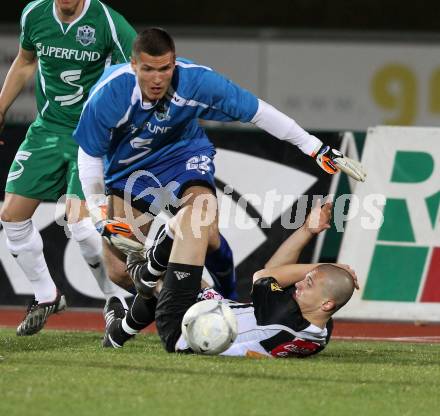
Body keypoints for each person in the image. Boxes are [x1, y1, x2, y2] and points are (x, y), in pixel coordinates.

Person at [73, 27, 365, 311]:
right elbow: (88, 157)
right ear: (133, 64)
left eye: (165, 68)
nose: (158, 79)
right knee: (119, 271)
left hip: (182, 154)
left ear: (174, 63)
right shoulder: (109, 95)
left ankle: (226, 293)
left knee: (202, 224)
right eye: (149, 69)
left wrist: (315, 147)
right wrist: (99, 210)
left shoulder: (197, 82)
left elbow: (257, 111)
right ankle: (208, 303)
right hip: (128, 171)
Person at [0, 0, 137, 336]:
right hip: (46, 130)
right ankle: (47, 296)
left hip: (90, 135)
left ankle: (115, 299)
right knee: (12, 219)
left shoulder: (108, 22)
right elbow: (26, 61)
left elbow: (133, 75)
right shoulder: (34, 14)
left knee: (81, 225)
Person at [102, 200, 358, 359]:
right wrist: (306, 231)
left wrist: (324, 266)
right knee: (186, 273)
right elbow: (275, 269)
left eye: (309, 283)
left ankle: (146, 266)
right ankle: (120, 331)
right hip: (216, 317)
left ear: (327, 304)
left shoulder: (284, 316)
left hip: (186, 327)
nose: (300, 283)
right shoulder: (319, 329)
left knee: (192, 219)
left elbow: (265, 274)